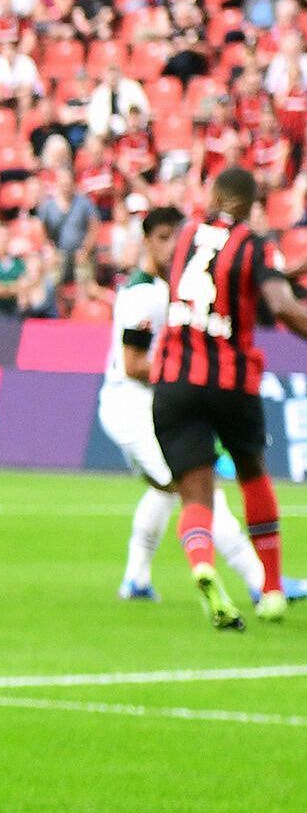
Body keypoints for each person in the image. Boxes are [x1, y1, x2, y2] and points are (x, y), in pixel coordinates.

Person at [150, 166, 307, 626]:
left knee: (195, 491)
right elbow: (279, 305)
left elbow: (170, 270)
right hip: (230, 381)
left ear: (215, 195)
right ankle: (272, 589)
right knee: (252, 471)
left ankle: (202, 564)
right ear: (250, 205)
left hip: (175, 378)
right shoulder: (252, 245)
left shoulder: (182, 236)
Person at [104, 207, 272, 603]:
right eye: (162, 238)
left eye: (175, 238)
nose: (170, 246)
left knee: (167, 489)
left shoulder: (173, 288)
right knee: (198, 488)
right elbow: (132, 365)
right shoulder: (145, 294)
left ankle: (136, 579)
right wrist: (183, 372)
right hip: (132, 404)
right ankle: (261, 582)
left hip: (148, 403)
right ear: (145, 241)